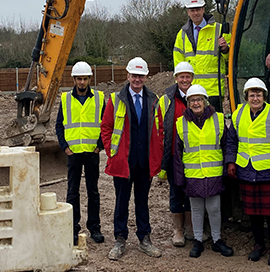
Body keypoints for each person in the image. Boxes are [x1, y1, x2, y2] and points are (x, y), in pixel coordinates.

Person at [102, 57, 164, 260]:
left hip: (144, 161)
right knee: (121, 201)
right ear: (128, 76)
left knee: (142, 202)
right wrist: (112, 152)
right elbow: (107, 127)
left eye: (140, 76)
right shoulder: (116, 100)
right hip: (123, 161)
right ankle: (120, 239)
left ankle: (144, 238)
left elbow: (160, 129)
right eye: (134, 75)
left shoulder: (153, 100)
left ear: (146, 77)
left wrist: (157, 151)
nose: (137, 79)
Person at [224, 78, 270, 266]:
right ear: (246, 97)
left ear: (264, 96)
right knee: (252, 213)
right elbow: (232, 142)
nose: (255, 98)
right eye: (252, 95)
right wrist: (230, 162)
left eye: (258, 94)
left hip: (268, 172)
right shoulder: (237, 115)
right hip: (246, 170)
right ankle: (258, 244)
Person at [171, 84, 234, 258]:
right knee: (196, 209)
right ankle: (197, 240)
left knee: (214, 208)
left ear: (205, 101)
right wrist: (179, 177)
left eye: (199, 99)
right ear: (188, 102)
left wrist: (228, 166)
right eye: (192, 100)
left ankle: (216, 240)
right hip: (193, 174)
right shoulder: (180, 123)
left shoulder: (218, 119)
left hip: (213, 173)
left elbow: (226, 144)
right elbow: (177, 153)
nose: (196, 103)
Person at [56, 61, 106, 246]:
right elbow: (59, 125)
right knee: (72, 192)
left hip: (92, 152)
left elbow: (106, 124)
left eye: (85, 79)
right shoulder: (65, 99)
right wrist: (64, 147)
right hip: (74, 153)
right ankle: (73, 227)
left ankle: (95, 227)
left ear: (89, 79)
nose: (82, 82)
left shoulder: (100, 98)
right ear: (74, 79)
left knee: (93, 191)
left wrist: (100, 145)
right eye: (79, 79)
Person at [173, 0, 230, 111]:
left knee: (215, 126)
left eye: (198, 9)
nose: (195, 13)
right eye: (192, 10)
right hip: (191, 91)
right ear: (188, 12)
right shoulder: (182, 34)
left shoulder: (219, 29)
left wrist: (225, 49)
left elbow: (231, 57)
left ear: (203, 9)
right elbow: (178, 63)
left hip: (214, 91)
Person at [159, 61, 195, 247]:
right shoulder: (166, 99)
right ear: (176, 78)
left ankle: (190, 227)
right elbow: (159, 127)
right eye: (182, 76)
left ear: (192, 78)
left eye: (188, 76)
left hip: (193, 155)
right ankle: (178, 230)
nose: (185, 80)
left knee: (191, 191)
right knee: (175, 192)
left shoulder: (198, 97)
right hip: (174, 154)